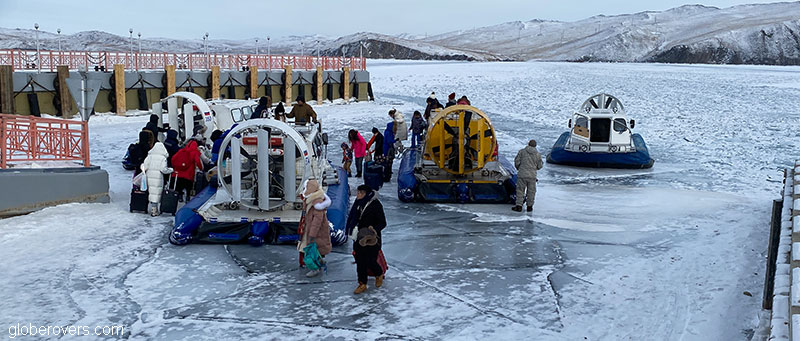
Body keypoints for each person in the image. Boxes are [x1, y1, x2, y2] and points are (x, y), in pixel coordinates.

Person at [346, 185, 387, 294]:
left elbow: (383, 223)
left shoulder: (376, 205)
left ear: (366, 194)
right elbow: (352, 217)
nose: (357, 195)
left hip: (372, 239)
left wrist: (373, 230)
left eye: (360, 193)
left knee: (370, 260)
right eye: (358, 192)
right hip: (359, 237)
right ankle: (362, 283)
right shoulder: (358, 203)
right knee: (360, 261)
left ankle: (379, 273)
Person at [299, 179, 332, 277]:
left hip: (315, 232)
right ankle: (318, 264)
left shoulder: (317, 204)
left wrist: (312, 234)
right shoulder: (312, 200)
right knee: (315, 249)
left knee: (312, 250)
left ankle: (315, 268)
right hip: (310, 230)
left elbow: (317, 222)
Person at [140, 142, 171, 216]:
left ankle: (153, 208)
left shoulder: (149, 156)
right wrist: (170, 170)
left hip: (149, 176)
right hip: (158, 177)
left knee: (151, 192)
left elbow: (144, 166)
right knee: (156, 193)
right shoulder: (163, 158)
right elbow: (163, 169)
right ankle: (154, 210)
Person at [513, 139, 544, 212]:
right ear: (535, 145)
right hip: (532, 176)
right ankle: (529, 207)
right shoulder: (537, 154)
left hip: (522, 174)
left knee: (520, 190)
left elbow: (517, 162)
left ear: (528, 144)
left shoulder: (522, 152)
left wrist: (519, 168)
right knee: (531, 192)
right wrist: (534, 169)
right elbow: (540, 166)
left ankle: (519, 206)